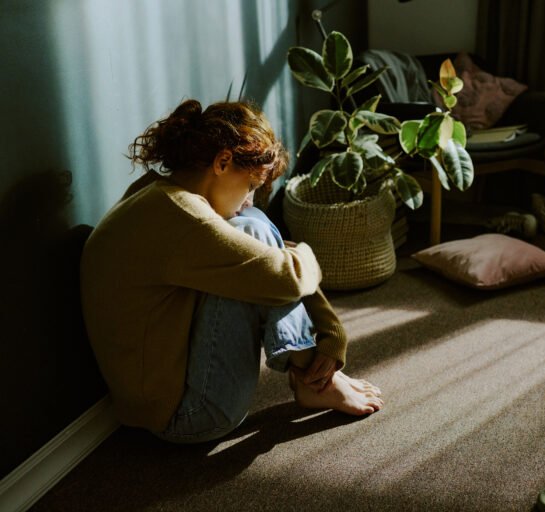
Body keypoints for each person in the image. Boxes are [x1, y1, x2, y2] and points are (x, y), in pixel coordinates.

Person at [80, 99, 383, 443]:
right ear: (222, 162)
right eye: (251, 186)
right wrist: (307, 252)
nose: (249, 198)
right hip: (188, 415)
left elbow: (277, 269)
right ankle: (316, 379)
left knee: (252, 224)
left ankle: (312, 374)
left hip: (162, 390)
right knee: (253, 232)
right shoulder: (183, 216)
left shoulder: (157, 194)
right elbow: (287, 278)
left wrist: (331, 328)